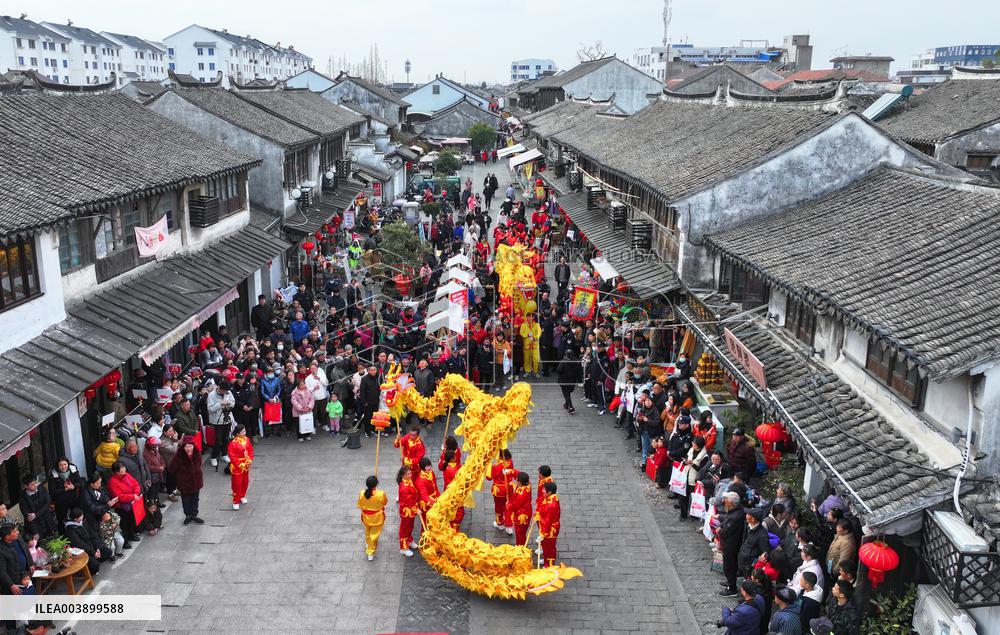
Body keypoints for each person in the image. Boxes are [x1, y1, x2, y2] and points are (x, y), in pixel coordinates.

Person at [169, 436, 204, 525]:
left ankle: (194, 515)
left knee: (195, 500)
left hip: (196, 482)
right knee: (186, 501)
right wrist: (180, 477)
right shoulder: (178, 456)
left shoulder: (197, 453)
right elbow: (172, 469)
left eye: (190, 446)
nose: (189, 449)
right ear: (183, 447)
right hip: (184, 484)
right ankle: (188, 516)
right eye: (186, 446)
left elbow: (199, 464)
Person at [107, 461, 143, 544]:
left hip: (132, 503)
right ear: (117, 471)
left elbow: (136, 484)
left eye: (124, 467)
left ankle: (132, 535)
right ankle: (125, 541)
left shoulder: (127, 475)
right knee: (124, 523)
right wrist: (133, 496)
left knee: (131, 520)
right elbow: (119, 496)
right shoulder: (112, 482)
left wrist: (136, 493)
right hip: (122, 506)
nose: (124, 469)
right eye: (122, 468)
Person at [719, 491, 746, 597]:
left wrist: (719, 531)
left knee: (729, 565)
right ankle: (730, 582)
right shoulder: (735, 511)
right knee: (730, 565)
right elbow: (726, 521)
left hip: (731, 544)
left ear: (732, 504)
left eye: (727, 503)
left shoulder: (736, 515)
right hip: (730, 542)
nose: (725, 504)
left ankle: (732, 588)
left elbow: (727, 530)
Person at [63, 507, 102, 576]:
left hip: (91, 546)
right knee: (96, 566)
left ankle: (96, 557)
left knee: (107, 552)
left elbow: (93, 535)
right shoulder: (71, 529)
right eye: (81, 516)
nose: (83, 516)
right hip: (82, 551)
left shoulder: (83, 522)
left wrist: (97, 548)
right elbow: (80, 545)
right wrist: (93, 553)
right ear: (75, 519)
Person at [357, 475, 387, 561]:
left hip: (366, 516)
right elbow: (385, 502)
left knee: (367, 531)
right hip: (377, 518)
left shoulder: (362, 493)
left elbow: (360, 504)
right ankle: (370, 552)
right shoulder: (380, 494)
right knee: (374, 535)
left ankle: (367, 543)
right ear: (376, 484)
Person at [47, 458, 82, 531]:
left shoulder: (73, 469)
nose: (63, 467)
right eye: (61, 465)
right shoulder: (53, 474)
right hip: (61, 500)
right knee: (61, 519)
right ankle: (63, 537)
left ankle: (78, 530)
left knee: (77, 514)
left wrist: (74, 486)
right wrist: (64, 490)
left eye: (65, 464)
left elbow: (79, 481)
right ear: (57, 466)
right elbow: (52, 491)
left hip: (73, 497)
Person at [207, 380, 236, 467]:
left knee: (226, 438)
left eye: (227, 391)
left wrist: (229, 404)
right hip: (217, 420)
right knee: (218, 440)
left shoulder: (228, 392)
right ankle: (214, 457)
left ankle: (224, 454)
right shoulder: (211, 395)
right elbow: (210, 409)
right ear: (219, 388)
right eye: (224, 390)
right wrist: (220, 404)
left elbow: (233, 403)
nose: (226, 392)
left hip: (227, 418)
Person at [19, 476, 56, 540]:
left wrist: (36, 515)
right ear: (26, 486)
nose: (35, 485)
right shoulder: (23, 498)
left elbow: (47, 503)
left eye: (36, 483)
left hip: (48, 519)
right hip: (37, 525)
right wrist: (35, 532)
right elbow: (29, 517)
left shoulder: (42, 488)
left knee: (53, 538)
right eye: (32, 484)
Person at [487, 449, 515, 531]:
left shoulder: (496, 466)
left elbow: (489, 478)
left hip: (499, 490)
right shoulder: (510, 461)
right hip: (509, 488)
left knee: (498, 507)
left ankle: (500, 523)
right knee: (508, 506)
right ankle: (509, 526)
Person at [228, 424, 254, 511]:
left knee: (245, 481)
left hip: (246, 464)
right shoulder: (233, 443)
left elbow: (250, 450)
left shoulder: (247, 440)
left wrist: (250, 459)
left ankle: (242, 495)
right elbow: (232, 456)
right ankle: (235, 500)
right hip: (237, 466)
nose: (244, 433)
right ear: (237, 433)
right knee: (236, 484)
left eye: (245, 431)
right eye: (242, 432)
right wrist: (239, 464)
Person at [536, 481, 561, 567]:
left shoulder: (551, 505)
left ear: (549, 492)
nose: (542, 490)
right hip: (547, 527)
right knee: (546, 546)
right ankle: (546, 560)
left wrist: (543, 534)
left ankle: (549, 565)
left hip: (549, 530)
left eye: (544, 489)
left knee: (549, 548)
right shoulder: (550, 497)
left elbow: (548, 521)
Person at [397, 466, 419, 557]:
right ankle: (403, 548)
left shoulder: (408, 481)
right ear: (403, 475)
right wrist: (416, 509)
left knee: (410, 526)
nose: (410, 475)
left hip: (411, 510)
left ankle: (409, 540)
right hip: (407, 511)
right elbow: (408, 501)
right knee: (404, 529)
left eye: (410, 473)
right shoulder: (404, 487)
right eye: (408, 474)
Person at [506, 472, 532, 546]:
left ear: (519, 482)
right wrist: (510, 471)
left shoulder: (521, 494)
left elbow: (515, 506)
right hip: (527, 510)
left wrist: (508, 505)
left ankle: (520, 547)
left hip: (521, 515)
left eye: (516, 480)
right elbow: (519, 473)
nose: (515, 481)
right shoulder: (528, 485)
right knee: (522, 533)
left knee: (519, 533)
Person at [440, 449, 464, 531]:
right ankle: (454, 528)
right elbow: (459, 477)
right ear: (452, 458)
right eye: (454, 456)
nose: (456, 457)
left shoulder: (449, 466)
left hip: (449, 490)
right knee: (458, 511)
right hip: (453, 492)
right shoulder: (451, 469)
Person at [556, 348, 582, 414]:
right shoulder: (577, 361)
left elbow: (559, 370)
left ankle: (571, 407)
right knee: (568, 393)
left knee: (566, 393)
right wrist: (580, 380)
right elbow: (579, 371)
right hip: (572, 380)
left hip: (563, 380)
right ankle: (566, 404)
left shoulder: (564, 361)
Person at [291, 378, 315, 442]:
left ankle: (307, 435)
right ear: (298, 385)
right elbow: (294, 402)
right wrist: (301, 408)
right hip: (298, 412)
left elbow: (312, 400)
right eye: (301, 384)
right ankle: (300, 436)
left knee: (308, 423)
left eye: (304, 384)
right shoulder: (294, 392)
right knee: (299, 424)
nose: (303, 386)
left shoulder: (308, 391)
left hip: (308, 410)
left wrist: (309, 407)